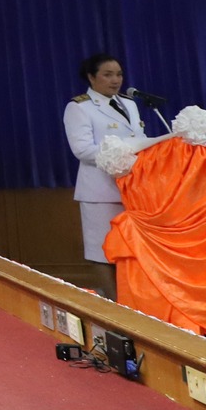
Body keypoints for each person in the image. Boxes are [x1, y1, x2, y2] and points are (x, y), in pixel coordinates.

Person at [63, 53, 147, 298]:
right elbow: (83, 150)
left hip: (133, 187)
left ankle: (133, 299)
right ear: (91, 77)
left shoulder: (129, 103)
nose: (115, 80)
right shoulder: (79, 107)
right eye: (107, 75)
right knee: (102, 249)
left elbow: (138, 139)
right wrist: (122, 156)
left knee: (130, 248)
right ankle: (114, 305)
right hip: (100, 190)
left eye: (119, 74)